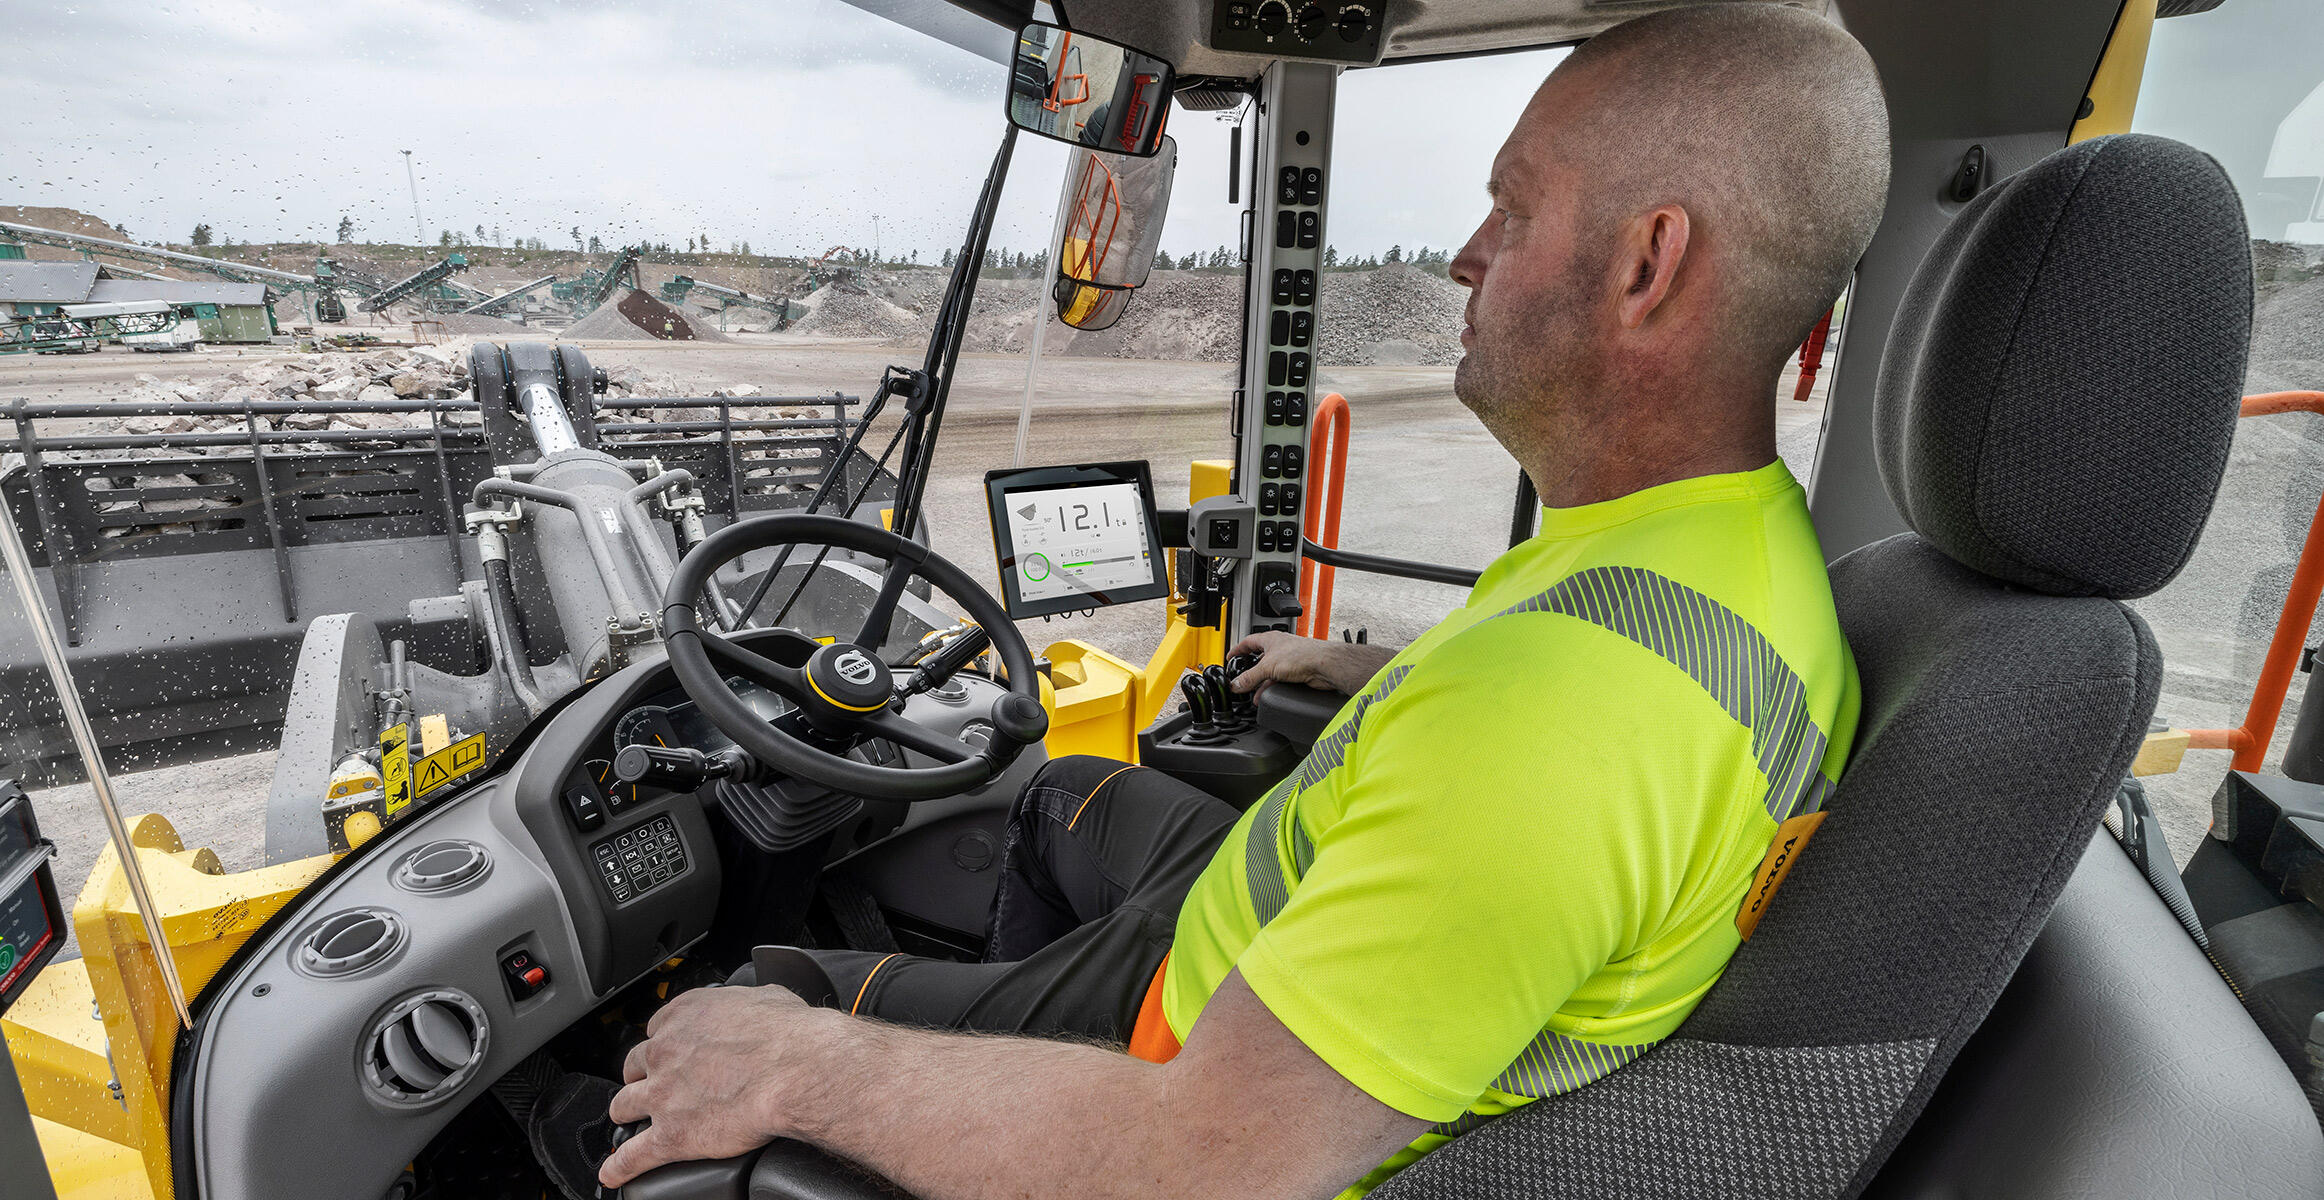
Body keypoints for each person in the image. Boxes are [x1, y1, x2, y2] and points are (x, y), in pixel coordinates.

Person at [595, 6, 1890, 1196]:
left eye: (1514, 208)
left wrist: (798, 1066)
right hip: (1263, 911)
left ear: (1647, 263)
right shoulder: (1732, 561)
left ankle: (958, 1023)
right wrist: (1360, 671)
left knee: (760, 1002)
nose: (1463, 257)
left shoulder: (1558, 725)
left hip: (1184, 1051)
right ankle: (1017, 989)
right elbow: (1555, 737)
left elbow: (1205, 1161)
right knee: (1053, 789)